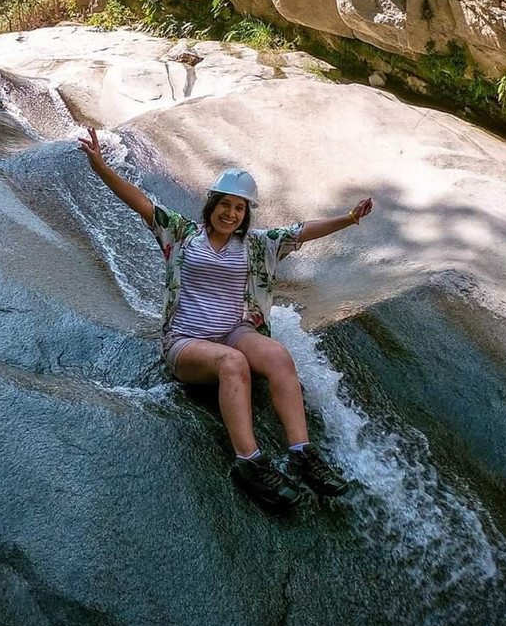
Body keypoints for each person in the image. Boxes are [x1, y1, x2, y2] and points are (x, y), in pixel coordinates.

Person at [78, 128, 374, 509]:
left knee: (279, 355)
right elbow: (141, 202)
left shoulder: (254, 245)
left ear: (246, 214)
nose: (231, 213)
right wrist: (100, 166)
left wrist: (349, 218)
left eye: (240, 208)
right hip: (186, 342)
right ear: (212, 203)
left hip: (235, 331)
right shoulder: (181, 233)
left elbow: (302, 231)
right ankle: (249, 462)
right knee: (232, 364)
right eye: (226, 204)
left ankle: (302, 454)